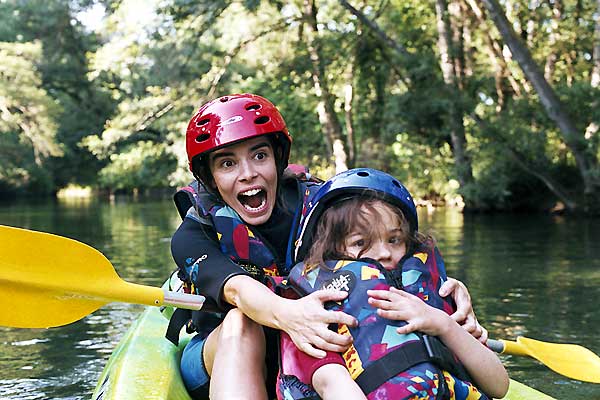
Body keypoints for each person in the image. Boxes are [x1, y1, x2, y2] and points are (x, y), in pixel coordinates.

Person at [168, 93, 488, 400]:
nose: (248, 173)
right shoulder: (194, 234)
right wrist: (289, 314)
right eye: (227, 164)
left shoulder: (324, 208)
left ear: (277, 159)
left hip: (318, 352)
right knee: (242, 321)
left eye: (259, 155)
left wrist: (445, 294)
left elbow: (385, 254)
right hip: (222, 352)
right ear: (210, 178)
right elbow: (237, 290)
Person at [284, 168, 509, 400]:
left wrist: (444, 324)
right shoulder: (312, 315)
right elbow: (332, 385)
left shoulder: (430, 295)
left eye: (394, 240)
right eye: (361, 242)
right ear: (330, 248)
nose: (383, 253)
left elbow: (499, 386)